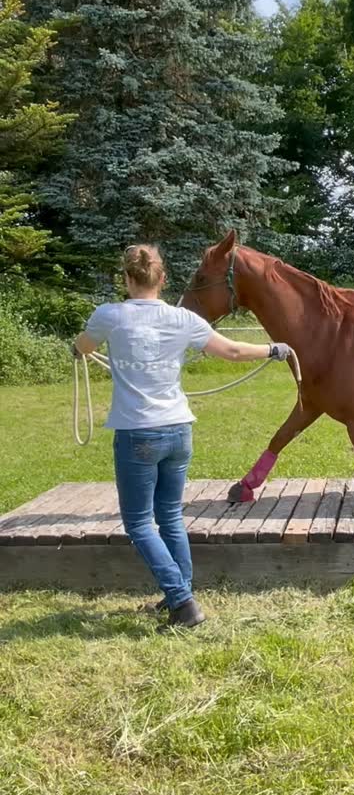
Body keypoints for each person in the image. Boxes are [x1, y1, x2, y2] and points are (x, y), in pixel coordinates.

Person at [73, 244, 292, 630]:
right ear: (163, 280)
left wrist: (76, 349)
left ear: (126, 279)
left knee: (139, 523)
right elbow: (233, 350)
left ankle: (182, 602)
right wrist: (274, 349)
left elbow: (84, 346)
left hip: (137, 434)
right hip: (178, 430)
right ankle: (178, 593)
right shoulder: (181, 319)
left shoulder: (109, 316)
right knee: (170, 516)